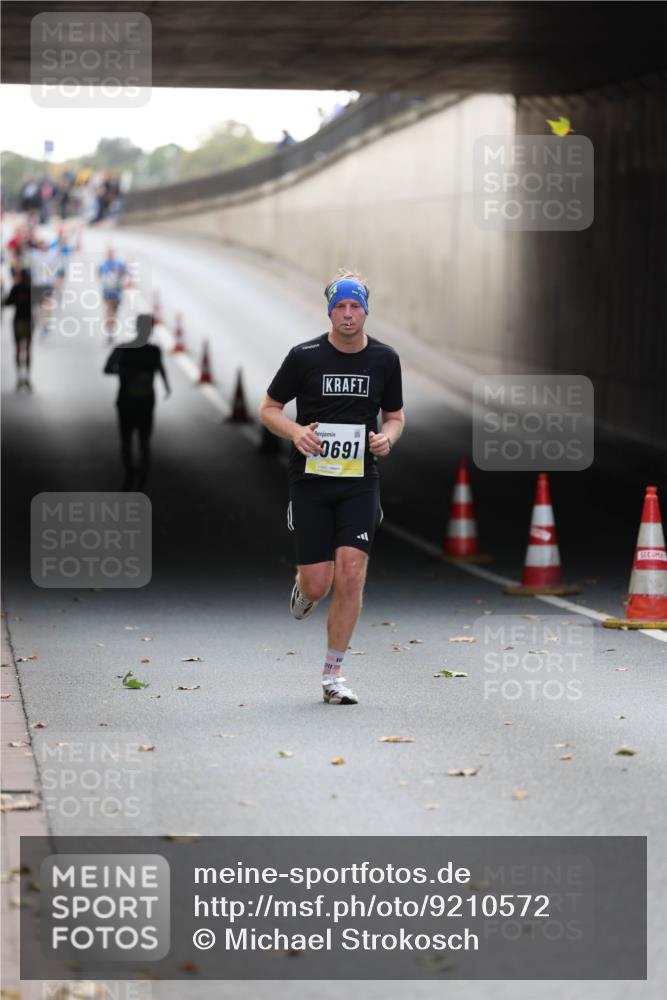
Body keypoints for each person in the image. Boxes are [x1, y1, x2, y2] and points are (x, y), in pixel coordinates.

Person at [259, 270, 405, 705]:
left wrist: (388, 438)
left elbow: (394, 415)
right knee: (319, 584)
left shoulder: (385, 359)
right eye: (339, 307)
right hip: (311, 482)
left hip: (360, 482)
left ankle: (333, 675)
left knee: (352, 572)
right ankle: (304, 587)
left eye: (354, 306)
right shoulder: (304, 357)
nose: (347, 314)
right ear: (329, 311)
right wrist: (295, 432)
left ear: (365, 310)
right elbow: (269, 408)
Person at [104, 313, 171, 490]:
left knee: (130, 440)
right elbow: (160, 368)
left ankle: (133, 473)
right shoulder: (150, 351)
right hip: (142, 402)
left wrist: (124, 371)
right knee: (143, 440)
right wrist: (165, 385)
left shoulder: (126, 349)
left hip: (130, 401)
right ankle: (139, 474)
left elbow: (108, 368)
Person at [2, 268, 34, 390]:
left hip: (18, 321)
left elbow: (7, 303)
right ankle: (27, 377)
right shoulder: (31, 289)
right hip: (28, 321)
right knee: (28, 349)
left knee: (18, 349)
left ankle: (19, 377)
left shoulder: (16, 288)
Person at [98, 246, 129, 342]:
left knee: (114, 313)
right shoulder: (103, 264)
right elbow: (99, 274)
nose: (110, 254)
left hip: (117, 292)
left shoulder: (119, 263)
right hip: (107, 292)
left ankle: (111, 328)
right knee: (109, 311)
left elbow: (126, 273)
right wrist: (104, 282)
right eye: (108, 252)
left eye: (111, 252)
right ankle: (109, 331)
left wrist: (122, 279)